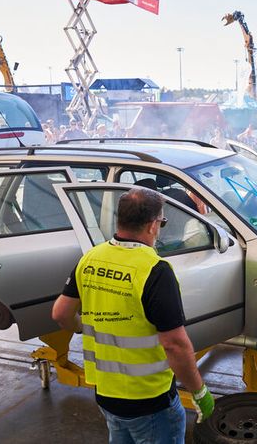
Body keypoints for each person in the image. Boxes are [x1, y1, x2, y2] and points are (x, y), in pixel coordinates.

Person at [51, 188, 215, 442]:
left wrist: (82, 325)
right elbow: (174, 344)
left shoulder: (91, 258)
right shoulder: (154, 270)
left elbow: (60, 314)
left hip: (106, 394)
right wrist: (199, 392)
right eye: (162, 222)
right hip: (149, 401)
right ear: (152, 225)